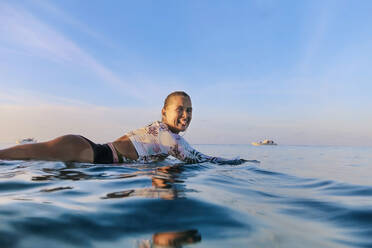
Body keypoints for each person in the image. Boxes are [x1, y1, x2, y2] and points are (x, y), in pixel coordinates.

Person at [0, 91, 257, 165]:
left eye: (189, 110)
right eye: (180, 109)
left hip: (90, 154)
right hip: (88, 152)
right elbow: (199, 159)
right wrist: (238, 161)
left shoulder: (162, 134)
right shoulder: (168, 137)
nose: (186, 115)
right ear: (163, 112)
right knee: (9, 156)